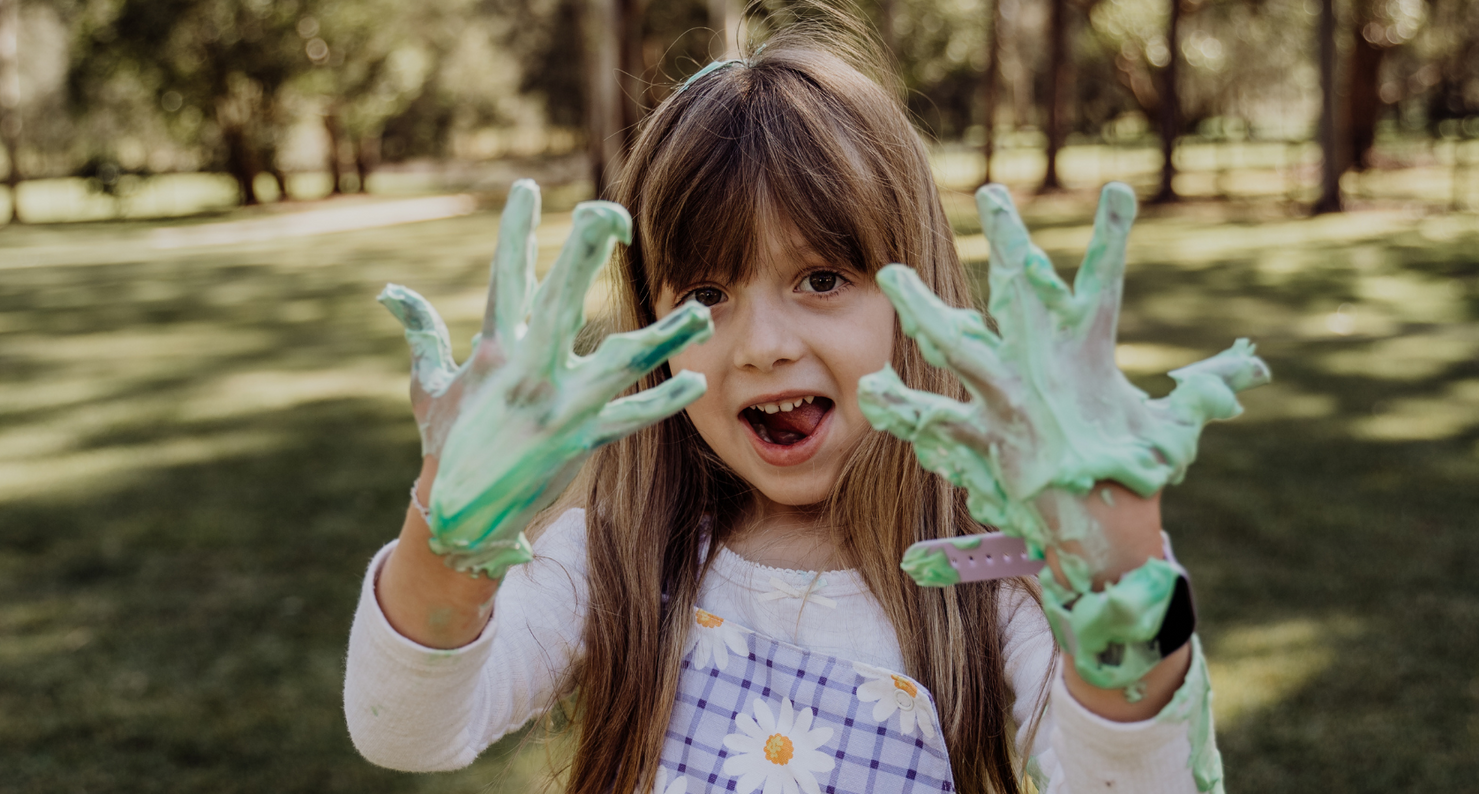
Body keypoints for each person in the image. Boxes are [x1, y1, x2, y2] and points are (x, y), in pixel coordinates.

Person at [344, 9, 1267, 794]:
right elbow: (408, 735)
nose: (764, 345)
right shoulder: (615, 555)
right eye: (705, 296)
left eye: (822, 278)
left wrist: (1125, 598)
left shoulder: (986, 581)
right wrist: (447, 541)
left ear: (918, 296)